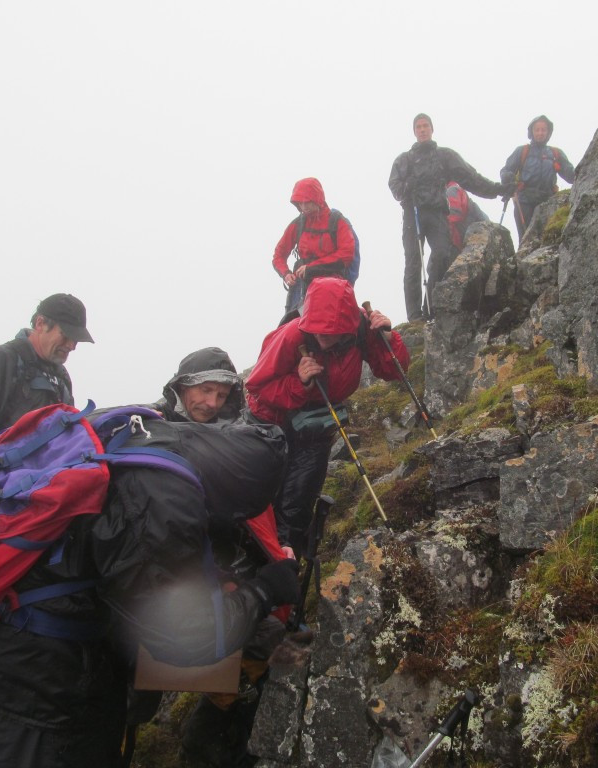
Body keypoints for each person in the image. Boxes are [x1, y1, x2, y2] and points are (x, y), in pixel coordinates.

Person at [0, 411, 299, 768]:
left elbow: (127, 556)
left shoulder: (153, 444)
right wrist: (266, 589)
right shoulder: (164, 494)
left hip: (26, 656)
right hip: (41, 689)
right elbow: (187, 638)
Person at [148, 348, 289, 768]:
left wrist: (271, 551)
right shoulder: (153, 430)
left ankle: (228, 716)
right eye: (204, 390)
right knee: (140, 683)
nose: (211, 402)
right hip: (169, 574)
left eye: (222, 393)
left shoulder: (233, 432)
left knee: (264, 636)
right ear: (181, 386)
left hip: (223, 559)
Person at [245, 276, 410, 558]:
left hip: (317, 421)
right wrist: (299, 383)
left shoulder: (361, 330)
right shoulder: (293, 335)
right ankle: (254, 559)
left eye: (329, 332)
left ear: (346, 327)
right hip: (271, 422)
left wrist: (386, 338)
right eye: (317, 330)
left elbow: (394, 371)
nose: (321, 337)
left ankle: (288, 564)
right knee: (264, 498)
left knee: (299, 500)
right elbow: (257, 387)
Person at [388, 113, 512, 321]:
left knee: (443, 254)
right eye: (418, 127)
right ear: (414, 131)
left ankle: (432, 305)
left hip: (437, 213)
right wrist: (407, 185)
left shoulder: (444, 156)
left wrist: (498, 190)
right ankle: (415, 314)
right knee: (413, 261)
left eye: (425, 126)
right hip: (413, 214)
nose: (422, 130)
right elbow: (395, 187)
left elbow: (470, 178)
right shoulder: (404, 160)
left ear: (432, 129)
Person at [0, 293, 94, 454]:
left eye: (76, 339)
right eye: (66, 336)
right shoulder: (1, 360)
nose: (72, 346)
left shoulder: (62, 378)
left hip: (45, 476)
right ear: (40, 323)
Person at [272, 177, 356, 317]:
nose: (304, 207)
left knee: (326, 323)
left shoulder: (337, 221)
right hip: (301, 287)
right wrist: (286, 273)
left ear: (317, 199)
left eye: (307, 202)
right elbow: (279, 255)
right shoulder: (298, 224)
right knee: (292, 326)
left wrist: (312, 268)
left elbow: (346, 254)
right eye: (300, 203)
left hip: (332, 284)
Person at [500, 115, 576, 243]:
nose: (540, 133)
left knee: (547, 240)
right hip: (524, 202)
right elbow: (505, 171)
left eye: (543, 130)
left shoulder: (555, 154)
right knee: (525, 240)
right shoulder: (522, 151)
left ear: (548, 132)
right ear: (532, 132)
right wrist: (508, 178)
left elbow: (571, 175)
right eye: (537, 130)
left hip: (548, 200)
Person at [155, 346, 244, 423]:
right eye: (206, 390)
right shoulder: (150, 422)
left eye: (222, 396)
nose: (212, 403)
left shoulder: (237, 433)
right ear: (183, 385)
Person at [446, 181, 489, 254]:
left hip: (474, 229)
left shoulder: (451, 190)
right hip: (481, 225)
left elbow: (454, 216)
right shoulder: (456, 188)